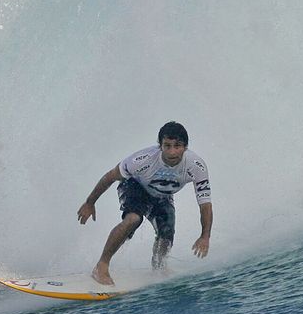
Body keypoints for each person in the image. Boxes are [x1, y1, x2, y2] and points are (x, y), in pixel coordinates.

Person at [76, 121, 213, 285]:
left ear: (186, 147)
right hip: (135, 187)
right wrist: (90, 203)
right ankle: (101, 266)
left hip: (162, 196)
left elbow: (205, 204)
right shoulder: (142, 160)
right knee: (133, 219)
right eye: (167, 146)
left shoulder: (196, 166)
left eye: (177, 146)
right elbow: (110, 176)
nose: (172, 151)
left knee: (166, 234)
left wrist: (205, 236)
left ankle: (159, 268)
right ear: (160, 146)